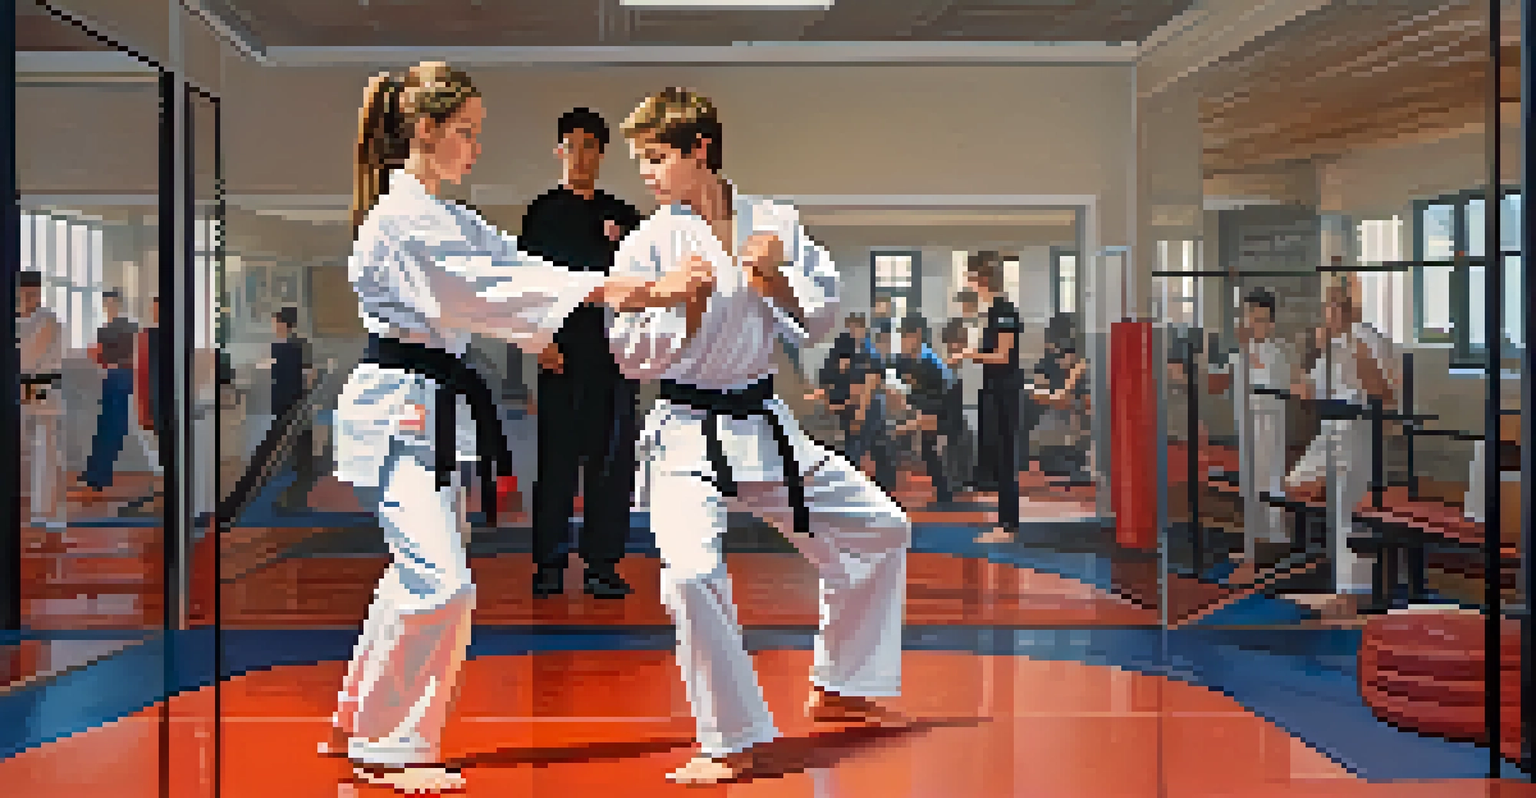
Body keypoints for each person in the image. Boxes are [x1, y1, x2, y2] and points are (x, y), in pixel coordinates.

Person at [327, 62, 702, 793]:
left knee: (414, 576)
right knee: (441, 586)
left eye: (477, 133)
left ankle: (353, 717)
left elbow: (519, 265)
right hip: (399, 412)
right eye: (464, 132)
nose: (474, 147)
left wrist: (620, 289)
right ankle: (388, 745)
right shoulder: (402, 221)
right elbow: (500, 290)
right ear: (425, 130)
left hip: (428, 410)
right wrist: (636, 289)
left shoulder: (445, 213)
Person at [608, 87, 910, 785]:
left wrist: (772, 276)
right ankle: (730, 736)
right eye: (640, 161)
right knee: (687, 573)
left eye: (657, 158)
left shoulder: (774, 222)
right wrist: (677, 305)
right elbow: (627, 353)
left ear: (700, 149)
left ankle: (841, 684)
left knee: (880, 527)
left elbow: (821, 317)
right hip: (685, 432)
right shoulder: (649, 241)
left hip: (763, 424)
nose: (647, 175)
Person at [520, 108, 645, 599]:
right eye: (571, 146)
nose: (580, 155)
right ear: (559, 152)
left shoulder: (622, 216)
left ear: (601, 153)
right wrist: (539, 340)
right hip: (561, 356)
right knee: (557, 463)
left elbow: (640, 288)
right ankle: (549, 563)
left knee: (611, 466)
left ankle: (602, 565)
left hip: (613, 359)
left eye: (589, 146)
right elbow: (524, 287)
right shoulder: (543, 212)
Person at [1285, 280, 1398, 618]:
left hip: (1358, 434)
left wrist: (1353, 353)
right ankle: (1340, 585)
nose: (1326, 314)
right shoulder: (1331, 345)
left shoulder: (1369, 341)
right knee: (1296, 486)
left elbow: (1383, 392)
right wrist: (1308, 357)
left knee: (1353, 513)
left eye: (1331, 307)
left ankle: (1353, 594)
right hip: (1330, 433)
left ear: (1346, 310)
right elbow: (1309, 390)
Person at [1228, 289, 1291, 585]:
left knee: (1269, 484)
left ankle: (1274, 543)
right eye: (1250, 317)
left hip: (1267, 427)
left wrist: (1247, 353)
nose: (1253, 324)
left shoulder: (1275, 355)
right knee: (1250, 487)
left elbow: (1268, 390)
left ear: (1271, 323)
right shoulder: (1241, 352)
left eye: (1260, 319)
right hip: (1247, 426)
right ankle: (1251, 545)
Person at [958, 252, 1022, 543]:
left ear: (982, 279)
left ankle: (1008, 526)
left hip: (1004, 391)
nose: (969, 283)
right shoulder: (995, 310)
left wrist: (971, 354)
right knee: (998, 457)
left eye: (972, 277)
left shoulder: (1004, 310)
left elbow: (1002, 355)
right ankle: (1005, 523)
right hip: (995, 390)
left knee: (1005, 457)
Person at [72, 290, 137, 504]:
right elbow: (101, 355)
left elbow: (132, 354)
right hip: (111, 376)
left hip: (121, 375)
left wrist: (108, 360)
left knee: (113, 427)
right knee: (105, 426)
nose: (108, 307)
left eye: (111, 303)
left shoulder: (129, 328)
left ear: (118, 304)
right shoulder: (104, 330)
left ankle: (99, 475)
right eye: (106, 303)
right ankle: (95, 473)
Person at [18, 270, 64, 528]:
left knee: (44, 450)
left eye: (31, 293)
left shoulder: (46, 319)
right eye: (23, 294)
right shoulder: (19, 320)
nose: (27, 299)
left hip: (41, 389)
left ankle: (44, 512)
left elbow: (26, 357)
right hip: (21, 389)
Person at [894, 314, 953, 505]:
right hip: (928, 411)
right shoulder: (912, 360)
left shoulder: (931, 364)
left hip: (943, 414)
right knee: (928, 453)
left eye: (905, 336)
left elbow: (939, 401)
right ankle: (943, 493)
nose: (902, 341)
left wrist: (911, 421)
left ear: (917, 335)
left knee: (932, 452)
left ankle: (946, 494)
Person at [270, 307, 320, 513]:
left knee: (299, 431)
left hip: (293, 395)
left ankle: (304, 467)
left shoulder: (299, 345)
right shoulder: (277, 346)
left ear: (284, 324)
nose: (273, 327)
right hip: (282, 394)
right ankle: (295, 463)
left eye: (275, 322)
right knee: (287, 430)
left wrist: (307, 395)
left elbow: (310, 371)